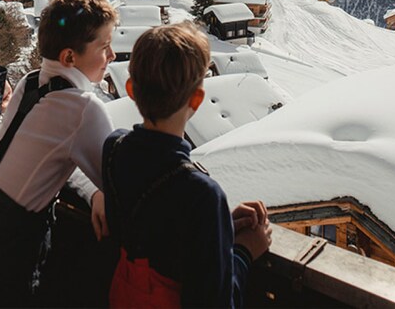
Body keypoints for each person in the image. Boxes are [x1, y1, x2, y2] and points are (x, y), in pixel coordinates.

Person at [0, 0, 118, 306]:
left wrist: (91, 192)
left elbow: (45, 154)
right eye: (104, 46)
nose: (112, 56)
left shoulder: (30, 83)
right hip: (6, 257)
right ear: (70, 57)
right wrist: (102, 192)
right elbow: (122, 183)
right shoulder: (82, 108)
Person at [103, 22, 272, 308]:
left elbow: (150, 231)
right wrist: (243, 250)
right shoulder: (202, 194)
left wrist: (220, 228)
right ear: (197, 99)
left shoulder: (114, 149)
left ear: (131, 89)